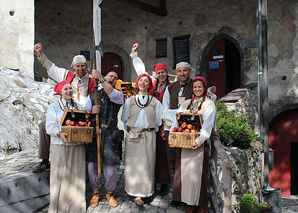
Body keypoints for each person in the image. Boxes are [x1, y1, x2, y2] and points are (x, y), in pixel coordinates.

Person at [32, 43, 95, 173]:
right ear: (73, 66)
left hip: (82, 113)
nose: (80, 69)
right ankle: (44, 160)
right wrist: (40, 54)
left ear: (86, 66)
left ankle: (86, 162)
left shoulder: (92, 80)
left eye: (83, 66)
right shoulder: (67, 75)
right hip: (64, 111)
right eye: (78, 66)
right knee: (44, 125)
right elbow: (51, 68)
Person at [168, 76, 216, 213]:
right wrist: (173, 135)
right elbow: (175, 119)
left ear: (204, 88)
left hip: (197, 145)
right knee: (186, 174)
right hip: (183, 144)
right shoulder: (186, 103)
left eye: (200, 87)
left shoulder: (209, 105)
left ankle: (199, 205)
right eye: (195, 87)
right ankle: (190, 203)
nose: (197, 89)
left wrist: (200, 140)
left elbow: (207, 125)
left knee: (197, 175)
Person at [130, 42, 170, 195]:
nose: (161, 75)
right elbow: (141, 72)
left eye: (163, 72)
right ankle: (150, 181)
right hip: (151, 125)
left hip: (164, 124)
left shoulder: (171, 86)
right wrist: (135, 56)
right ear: (156, 74)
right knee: (150, 154)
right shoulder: (151, 85)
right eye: (159, 72)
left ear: (166, 74)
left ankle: (164, 182)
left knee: (162, 154)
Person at [84, 70, 124, 208]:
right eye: (110, 76)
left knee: (111, 167)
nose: (112, 78)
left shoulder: (118, 94)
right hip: (95, 133)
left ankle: (110, 193)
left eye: (115, 77)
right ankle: (96, 192)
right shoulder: (92, 95)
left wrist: (100, 78)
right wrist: (91, 113)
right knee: (91, 165)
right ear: (106, 77)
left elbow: (110, 93)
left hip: (110, 134)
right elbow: (85, 115)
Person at [121, 74, 163, 206]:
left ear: (149, 84)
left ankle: (145, 192)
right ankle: (133, 191)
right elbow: (124, 119)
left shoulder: (156, 102)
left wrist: (148, 130)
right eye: (141, 80)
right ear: (137, 83)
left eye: (146, 81)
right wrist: (132, 130)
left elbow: (157, 121)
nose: (143, 83)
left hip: (148, 136)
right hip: (133, 136)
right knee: (132, 164)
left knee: (147, 165)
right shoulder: (130, 101)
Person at [46, 80, 86, 213]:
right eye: (66, 89)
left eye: (70, 88)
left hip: (77, 145)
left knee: (76, 174)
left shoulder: (78, 106)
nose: (69, 91)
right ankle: (57, 206)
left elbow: (83, 122)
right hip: (60, 145)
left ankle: (76, 206)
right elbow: (49, 127)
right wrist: (58, 133)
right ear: (60, 92)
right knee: (59, 175)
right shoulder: (54, 106)